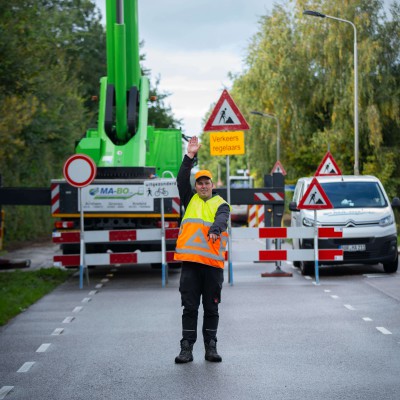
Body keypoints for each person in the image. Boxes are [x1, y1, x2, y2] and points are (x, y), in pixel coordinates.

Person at [174, 136, 230, 364]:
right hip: (190, 265)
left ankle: (211, 347)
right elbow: (180, 180)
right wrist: (189, 156)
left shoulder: (222, 204)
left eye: (207, 183)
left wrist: (216, 229)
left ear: (212, 185)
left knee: (211, 308)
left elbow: (222, 219)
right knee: (189, 308)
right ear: (196, 186)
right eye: (200, 183)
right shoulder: (190, 200)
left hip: (212, 267)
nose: (203, 186)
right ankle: (186, 348)